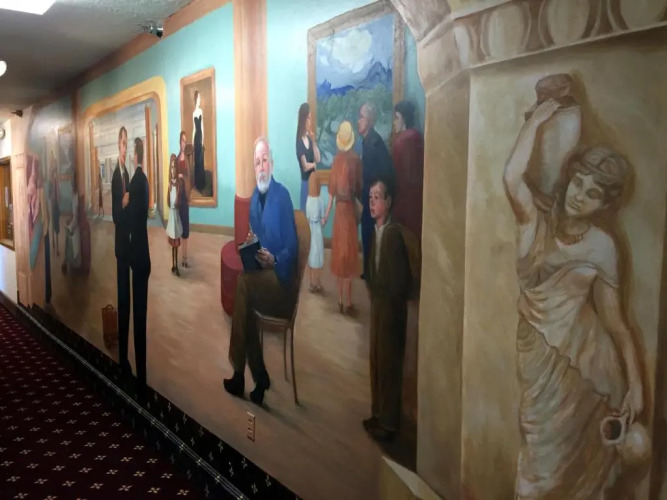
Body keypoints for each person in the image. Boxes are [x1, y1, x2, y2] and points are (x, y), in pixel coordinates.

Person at [504, 98, 645, 497]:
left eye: (593, 193)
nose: (580, 195)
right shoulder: (536, 221)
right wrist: (537, 120)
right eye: (579, 182)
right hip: (538, 360)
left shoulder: (603, 247)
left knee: (579, 469)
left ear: (605, 205)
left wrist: (636, 384)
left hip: (588, 368)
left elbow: (616, 324)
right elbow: (511, 178)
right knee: (537, 455)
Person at [223, 137, 298, 407]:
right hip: (264, 278)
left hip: (281, 282)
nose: (261, 166)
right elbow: (259, 237)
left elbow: (292, 247)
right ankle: (260, 377)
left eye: (265, 160)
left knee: (243, 286)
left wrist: (274, 259)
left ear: (272, 164)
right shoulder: (255, 197)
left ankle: (239, 373)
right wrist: (253, 245)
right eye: (257, 162)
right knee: (245, 303)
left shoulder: (283, 196)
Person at [363, 176, 411, 443]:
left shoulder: (393, 236)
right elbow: (372, 271)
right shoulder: (376, 233)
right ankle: (378, 413)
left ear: (389, 202)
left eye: (377, 198)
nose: (372, 203)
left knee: (389, 364)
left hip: (391, 313)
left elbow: (400, 282)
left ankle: (389, 422)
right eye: (370, 198)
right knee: (376, 361)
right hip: (378, 308)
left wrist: (384, 295)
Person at [323, 120, 362, 313]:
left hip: (339, 212)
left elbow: (331, 193)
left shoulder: (336, 161)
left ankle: (339, 299)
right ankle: (348, 301)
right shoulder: (356, 160)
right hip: (350, 210)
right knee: (350, 256)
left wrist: (326, 215)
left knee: (339, 255)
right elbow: (359, 188)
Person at [358, 102, 394, 281]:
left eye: (361, 117)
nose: (358, 121)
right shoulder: (368, 140)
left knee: (371, 234)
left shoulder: (374, 142)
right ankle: (370, 271)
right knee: (368, 233)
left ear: (370, 120)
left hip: (374, 197)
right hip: (369, 195)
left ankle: (373, 273)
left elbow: (383, 173)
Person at [128, 137, 151, 389]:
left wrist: (124, 204)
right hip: (144, 254)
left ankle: (141, 378)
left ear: (135, 154)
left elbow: (132, 219)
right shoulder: (144, 180)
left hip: (138, 255)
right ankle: (141, 374)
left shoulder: (135, 182)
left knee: (139, 317)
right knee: (140, 314)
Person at [111, 126, 132, 376]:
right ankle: (122, 357)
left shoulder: (127, 172)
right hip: (120, 245)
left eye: (127, 143)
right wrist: (123, 203)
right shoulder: (117, 175)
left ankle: (125, 353)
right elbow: (116, 216)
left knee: (127, 299)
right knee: (122, 296)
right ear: (118, 145)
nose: (125, 148)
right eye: (123, 143)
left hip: (129, 244)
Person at [392, 100, 424, 242]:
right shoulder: (418, 138)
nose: (394, 122)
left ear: (404, 119)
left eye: (397, 118)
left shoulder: (401, 142)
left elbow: (396, 176)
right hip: (417, 203)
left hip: (402, 203)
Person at [296, 102, 321, 212]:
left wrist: (314, 141)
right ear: (303, 119)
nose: (310, 122)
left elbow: (318, 158)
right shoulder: (299, 141)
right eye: (308, 118)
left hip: (314, 183)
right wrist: (314, 165)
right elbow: (305, 166)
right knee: (305, 215)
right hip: (306, 184)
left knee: (315, 214)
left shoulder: (309, 139)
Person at [305, 171, 325, 293]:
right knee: (318, 257)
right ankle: (317, 283)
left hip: (310, 230)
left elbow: (307, 219)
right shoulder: (320, 200)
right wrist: (324, 219)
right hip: (317, 231)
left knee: (311, 257)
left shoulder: (308, 200)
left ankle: (311, 283)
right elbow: (322, 221)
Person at [166, 154, 184, 276]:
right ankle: (173, 264)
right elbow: (168, 201)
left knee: (176, 243)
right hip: (171, 216)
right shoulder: (170, 184)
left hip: (176, 216)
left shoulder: (178, 184)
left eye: (174, 167)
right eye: (171, 167)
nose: (173, 170)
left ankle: (176, 265)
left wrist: (176, 203)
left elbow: (179, 200)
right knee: (172, 243)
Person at [177, 131, 191, 268]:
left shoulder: (187, 159)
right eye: (182, 141)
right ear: (179, 141)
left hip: (184, 198)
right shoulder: (176, 159)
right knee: (178, 228)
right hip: (178, 198)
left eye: (185, 141)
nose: (184, 143)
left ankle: (185, 258)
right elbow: (173, 176)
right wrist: (177, 176)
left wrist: (183, 177)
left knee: (185, 229)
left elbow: (189, 178)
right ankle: (179, 257)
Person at [192, 90, 206, 193]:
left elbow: (202, 126)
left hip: (200, 136)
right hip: (196, 137)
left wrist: (203, 140)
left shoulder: (201, 111)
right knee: (197, 161)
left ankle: (202, 184)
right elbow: (194, 128)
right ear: (196, 99)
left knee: (201, 160)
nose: (200, 100)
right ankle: (197, 184)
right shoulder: (193, 113)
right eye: (199, 98)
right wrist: (192, 142)